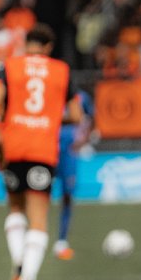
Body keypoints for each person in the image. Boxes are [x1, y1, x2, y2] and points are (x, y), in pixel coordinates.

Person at [0, 25, 80, 280]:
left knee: (15, 210)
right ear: (48, 47)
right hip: (43, 148)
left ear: (26, 44)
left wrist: (5, 122)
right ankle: (27, 277)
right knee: (39, 219)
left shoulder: (9, 67)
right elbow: (76, 115)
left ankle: (19, 261)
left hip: (14, 145)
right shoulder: (61, 70)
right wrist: (52, 119)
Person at [53, 89, 94, 260]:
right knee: (36, 195)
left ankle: (62, 242)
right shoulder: (49, 90)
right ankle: (34, 237)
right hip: (48, 148)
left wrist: (84, 139)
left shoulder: (80, 96)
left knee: (67, 196)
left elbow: (91, 118)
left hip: (69, 152)